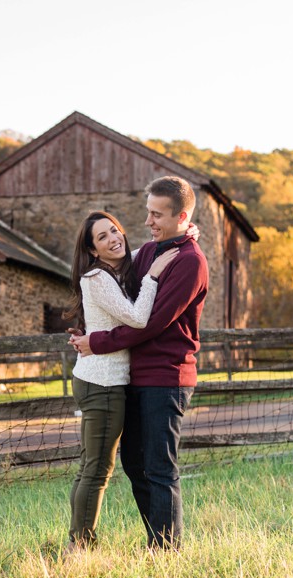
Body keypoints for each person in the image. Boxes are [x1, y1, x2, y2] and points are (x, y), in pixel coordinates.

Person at [70, 176, 208, 550]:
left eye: (156, 214)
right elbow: (115, 282)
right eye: (147, 212)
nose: (147, 221)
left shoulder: (190, 262)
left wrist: (95, 343)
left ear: (181, 216)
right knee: (134, 465)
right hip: (133, 377)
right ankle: (155, 541)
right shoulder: (150, 251)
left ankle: (166, 552)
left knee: (160, 469)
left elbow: (148, 324)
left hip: (166, 378)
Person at [64, 211, 180, 551]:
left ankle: (79, 541)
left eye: (115, 230)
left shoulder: (113, 268)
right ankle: (80, 545)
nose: (113, 238)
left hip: (104, 380)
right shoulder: (97, 278)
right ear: (92, 250)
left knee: (91, 466)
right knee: (97, 469)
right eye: (102, 237)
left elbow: (135, 252)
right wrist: (154, 276)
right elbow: (138, 318)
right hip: (103, 383)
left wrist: (184, 232)